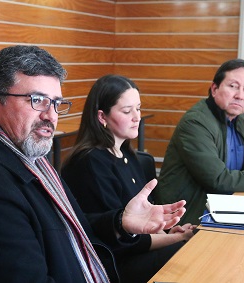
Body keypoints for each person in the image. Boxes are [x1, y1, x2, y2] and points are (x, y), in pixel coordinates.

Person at [0, 45, 188, 283]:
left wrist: (121, 222)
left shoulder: (30, 157)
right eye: (37, 100)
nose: (51, 116)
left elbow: (68, 229)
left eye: (56, 103)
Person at [61, 74, 196, 283]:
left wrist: (168, 231)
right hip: (112, 264)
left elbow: (144, 220)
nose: (137, 117)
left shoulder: (129, 155)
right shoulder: (89, 163)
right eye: (127, 111)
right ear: (102, 117)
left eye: (138, 108)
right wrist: (176, 238)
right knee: (187, 254)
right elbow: (122, 240)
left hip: (134, 252)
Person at [153, 59, 244, 226]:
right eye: (233, 86)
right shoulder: (196, 123)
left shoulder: (242, 118)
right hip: (187, 217)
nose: (240, 95)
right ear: (215, 89)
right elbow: (217, 180)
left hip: (225, 207)